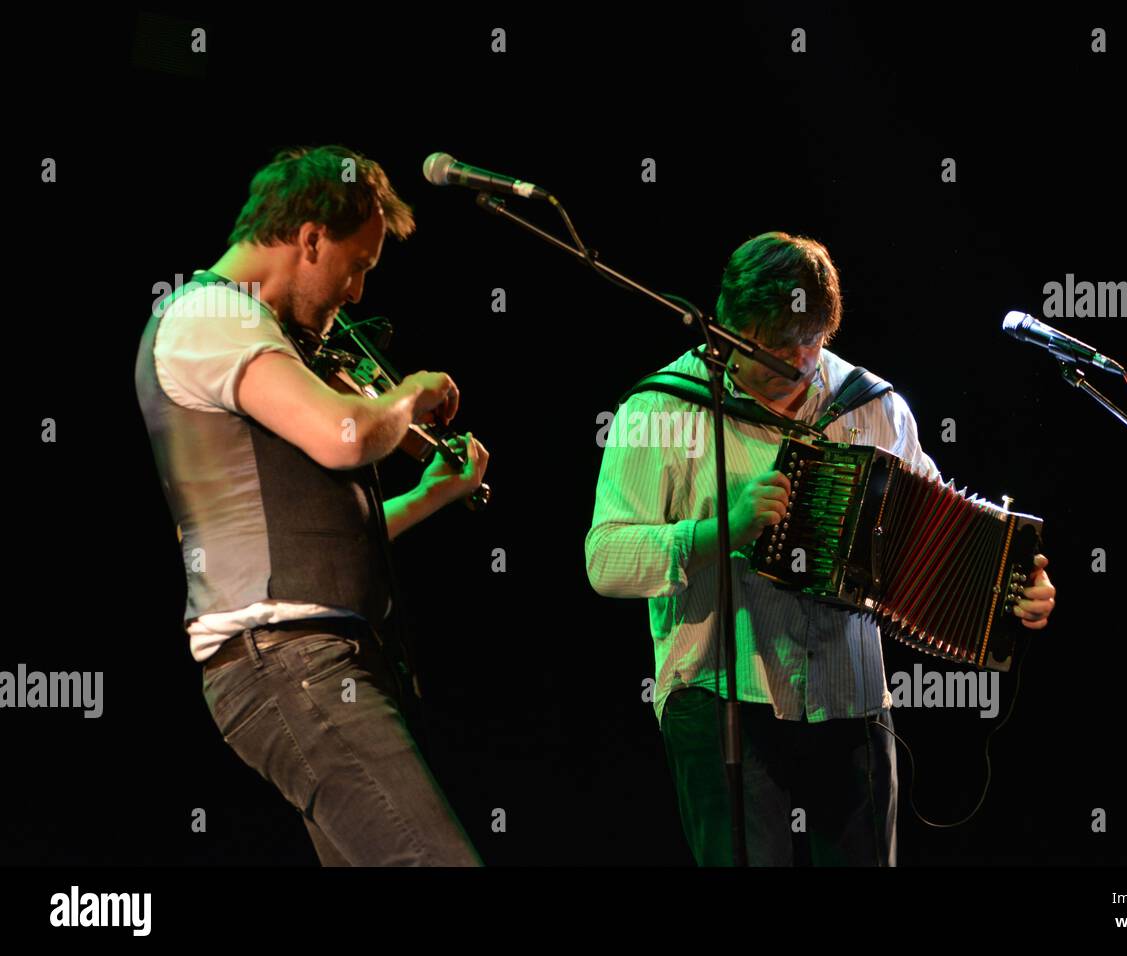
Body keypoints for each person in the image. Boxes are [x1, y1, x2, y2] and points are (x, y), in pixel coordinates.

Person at [585, 231, 1056, 866]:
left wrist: (1009, 592)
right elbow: (604, 561)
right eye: (777, 349)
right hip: (721, 701)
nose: (799, 362)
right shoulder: (660, 409)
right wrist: (721, 532)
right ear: (729, 328)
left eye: (811, 343)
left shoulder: (875, 404)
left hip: (852, 701)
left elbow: (942, 531)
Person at [135, 145, 488, 866]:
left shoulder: (255, 335)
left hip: (309, 661)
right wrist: (410, 392)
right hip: (287, 664)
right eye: (357, 266)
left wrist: (427, 496)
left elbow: (310, 533)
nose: (357, 294)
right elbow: (346, 434)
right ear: (309, 238)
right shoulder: (208, 316)